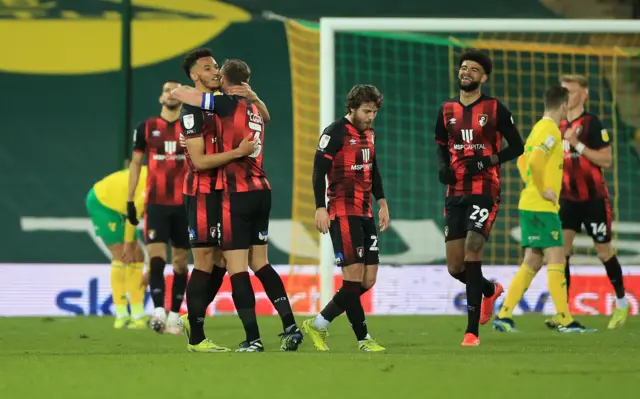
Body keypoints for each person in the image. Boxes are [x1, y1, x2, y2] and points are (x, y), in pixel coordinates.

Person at [174, 58, 303, 352]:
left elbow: (184, 94)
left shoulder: (225, 103)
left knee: (228, 264)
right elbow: (200, 160)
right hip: (206, 192)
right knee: (214, 262)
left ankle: (246, 336)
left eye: (216, 68)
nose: (214, 71)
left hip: (233, 191)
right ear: (195, 75)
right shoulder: (207, 107)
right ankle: (197, 332)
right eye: (207, 68)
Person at [434, 50, 524, 346]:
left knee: (474, 247)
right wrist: (443, 168)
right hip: (456, 191)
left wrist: (486, 162)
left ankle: (471, 331)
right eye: (463, 68)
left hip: (485, 188)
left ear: (483, 77)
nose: (466, 72)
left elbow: (517, 147)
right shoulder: (447, 110)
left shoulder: (495, 108)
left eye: (473, 69)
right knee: (455, 267)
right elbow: (440, 145)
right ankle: (488, 290)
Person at [492, 85, 595, 333]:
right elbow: (535, 161)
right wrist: (542, 189)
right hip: (541, 207)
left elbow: (522, 160)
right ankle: (565, 319)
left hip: (531, 205)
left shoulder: (539, 128)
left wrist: (532, 184)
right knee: (557, 259)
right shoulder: (549, 131)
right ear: (562, 106)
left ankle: (504, 315)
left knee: (533, 261)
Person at [302, 84, 389, 352]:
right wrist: (320, 207)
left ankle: (318, 323)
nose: (370, 116)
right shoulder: (335, 132)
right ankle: (364, 339)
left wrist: (382, 203)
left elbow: (372, 170)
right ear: (352, 108)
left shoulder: (370, 134)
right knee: (352, 280)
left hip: (365, 212)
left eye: (374, 111)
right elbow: (318, 172)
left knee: (367, 281)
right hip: (342, 211)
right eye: (366, 111)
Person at [551, 74, 629, 330]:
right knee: (561, 254)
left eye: (571, 91)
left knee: (603, 252)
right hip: (566, 200)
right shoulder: (556, 124)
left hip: (593, 199)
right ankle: (563, 312)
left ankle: (620, 303)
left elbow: (606, 161)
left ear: (583, 95)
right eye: (563, 91)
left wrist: (578, 145)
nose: (566, 96)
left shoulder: (592, 124)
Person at [127, 80, 190, 335]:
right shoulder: (146, 127)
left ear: (183, 98)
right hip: (156, 204)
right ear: (160, 98)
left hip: (186, 204)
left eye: (176, 91)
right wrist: (130, 200)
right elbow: (135, 164)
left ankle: (175, 314)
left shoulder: (192, 126)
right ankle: (158, 311)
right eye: (166, 91)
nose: (171, 95)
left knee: (181, 263)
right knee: (156, 258)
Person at [86, 167, 148, 329]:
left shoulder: (163, 181)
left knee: (138, 255)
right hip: (103, 202)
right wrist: (128, 244)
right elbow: (132, 217)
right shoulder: (151, 189)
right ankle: (121, 315)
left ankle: (137, 314)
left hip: (120, 205)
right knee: (122, 254)